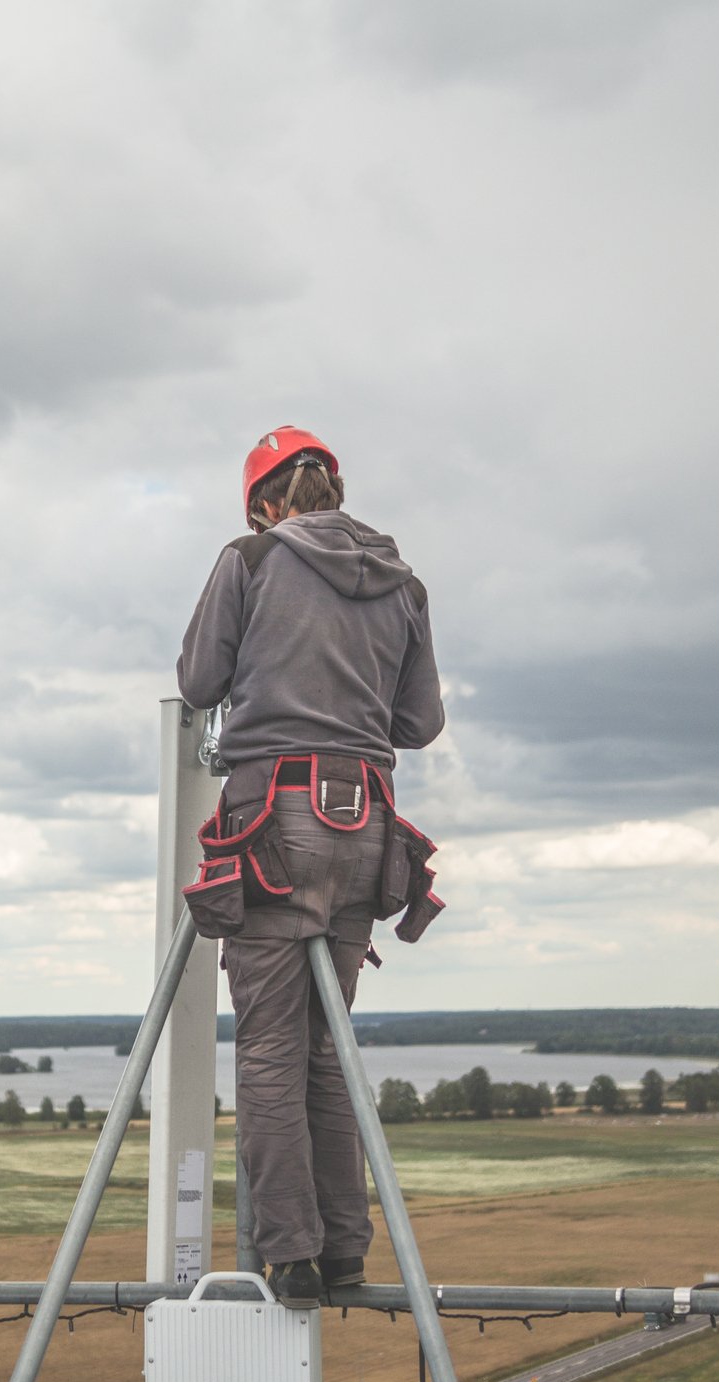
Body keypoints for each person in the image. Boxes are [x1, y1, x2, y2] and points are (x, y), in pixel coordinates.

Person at [176, 425, 444, 1309]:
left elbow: (198, 678)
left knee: (269, 1048)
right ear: (332, 487)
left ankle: (287, 1255)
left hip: (272, 829)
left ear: (265, 502)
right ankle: (342, 1253)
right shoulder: (402, 583)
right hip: (364, 826)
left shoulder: (250, 559)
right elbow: (418, 725)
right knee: (328, 1051)